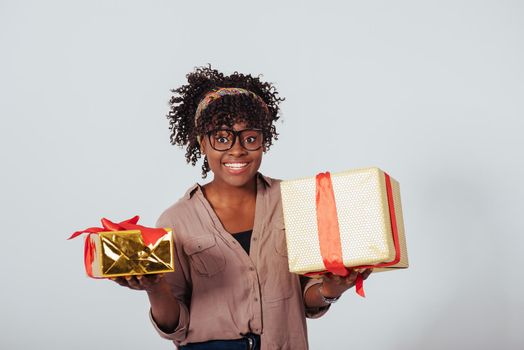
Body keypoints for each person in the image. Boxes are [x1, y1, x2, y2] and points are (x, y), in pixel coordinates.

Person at [113, 65, 372, 349]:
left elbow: (308, 299)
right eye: (221, 138)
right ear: (202, 143)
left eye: (249, 138)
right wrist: (154, 286)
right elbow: (175, 326)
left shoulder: (295, 202)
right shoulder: (177, 220)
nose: (237, 150)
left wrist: (329, 290)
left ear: (264, 142)